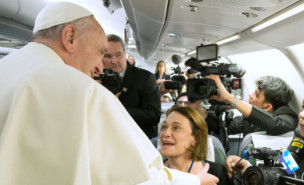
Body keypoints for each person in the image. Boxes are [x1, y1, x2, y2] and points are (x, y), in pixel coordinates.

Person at [0, 2, 219, 185]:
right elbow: (136, 178)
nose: (99, 67)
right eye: (100, 53)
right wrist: (193, 181)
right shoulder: (83, 90)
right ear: (70, 37)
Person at [226, 80, 304, 184]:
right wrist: (248, 167)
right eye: (302, 107)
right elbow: (286, 171)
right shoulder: (301, 137)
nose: (302, 114)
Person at [102, 34, 161, 139]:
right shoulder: (96, 79)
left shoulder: (145, 78)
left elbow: (154, 116)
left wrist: (119, 108)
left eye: (118, 55)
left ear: (125, 54)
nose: (114, 61)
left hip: (138, 141)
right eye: (108, 56)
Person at [160, 105, 233, 185]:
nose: (166, 133)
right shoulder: (150, 174)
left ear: (196, 138)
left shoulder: (218, 173)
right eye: (164, 127)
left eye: (176, 128)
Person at [207, 75, 298, 136]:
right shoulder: (248, 119)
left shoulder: (289, 118)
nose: (250, 95)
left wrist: (229, 98)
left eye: (256, 94)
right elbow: (222, 129)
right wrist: (198, 108)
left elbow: (273, 124)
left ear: (267, 107)